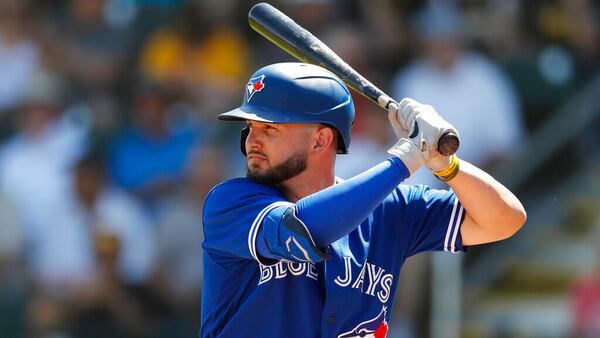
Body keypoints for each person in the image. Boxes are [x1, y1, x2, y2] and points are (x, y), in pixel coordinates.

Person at [200, 63, 526, 338]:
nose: (252, 140)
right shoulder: (231, 202)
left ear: (321, 139)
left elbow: (504, 219)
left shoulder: (391, 208)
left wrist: (444, 163)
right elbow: (304, 228)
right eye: (250, 127)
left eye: (269, 128)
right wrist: (404, 159)